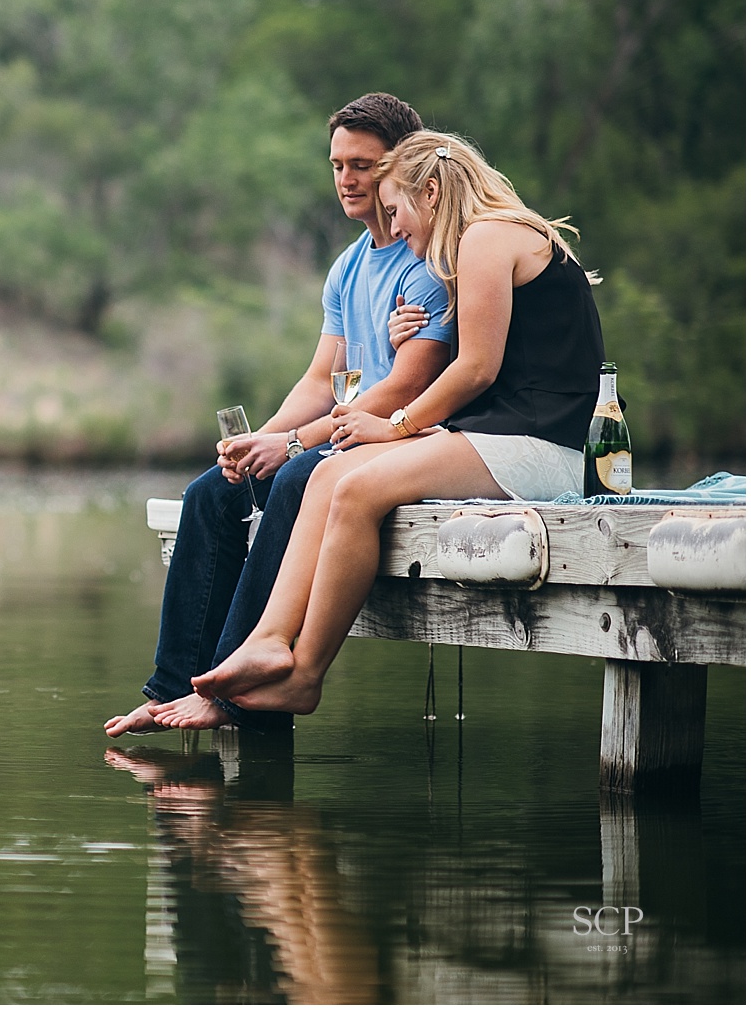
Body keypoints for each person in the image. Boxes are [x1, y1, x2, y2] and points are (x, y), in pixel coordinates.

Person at [191, 131, 605, 716]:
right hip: (494, 435)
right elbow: (494, 350)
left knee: (360, 488)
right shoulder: (483, 244)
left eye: (396, 210)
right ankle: (266, 638)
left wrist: (398, 426)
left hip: (536, 444)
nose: (396, 229)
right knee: (329, 475)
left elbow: (478, 370)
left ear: (430, 191)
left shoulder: (488, 236)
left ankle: (305, 674)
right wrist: (403, 341)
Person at [104, 93, 454, 737]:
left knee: (293, 479)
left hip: (394, 444)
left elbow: (406, 392)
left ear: (402, 166)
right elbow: (323, 379)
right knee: (211, 493)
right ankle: (169, 686)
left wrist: (290, 447)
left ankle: (237, 687)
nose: (347, 179)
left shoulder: (430, 262)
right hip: (336, 437)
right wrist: (260, 440)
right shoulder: (349, 268)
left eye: (364, 166)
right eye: (337, 165)